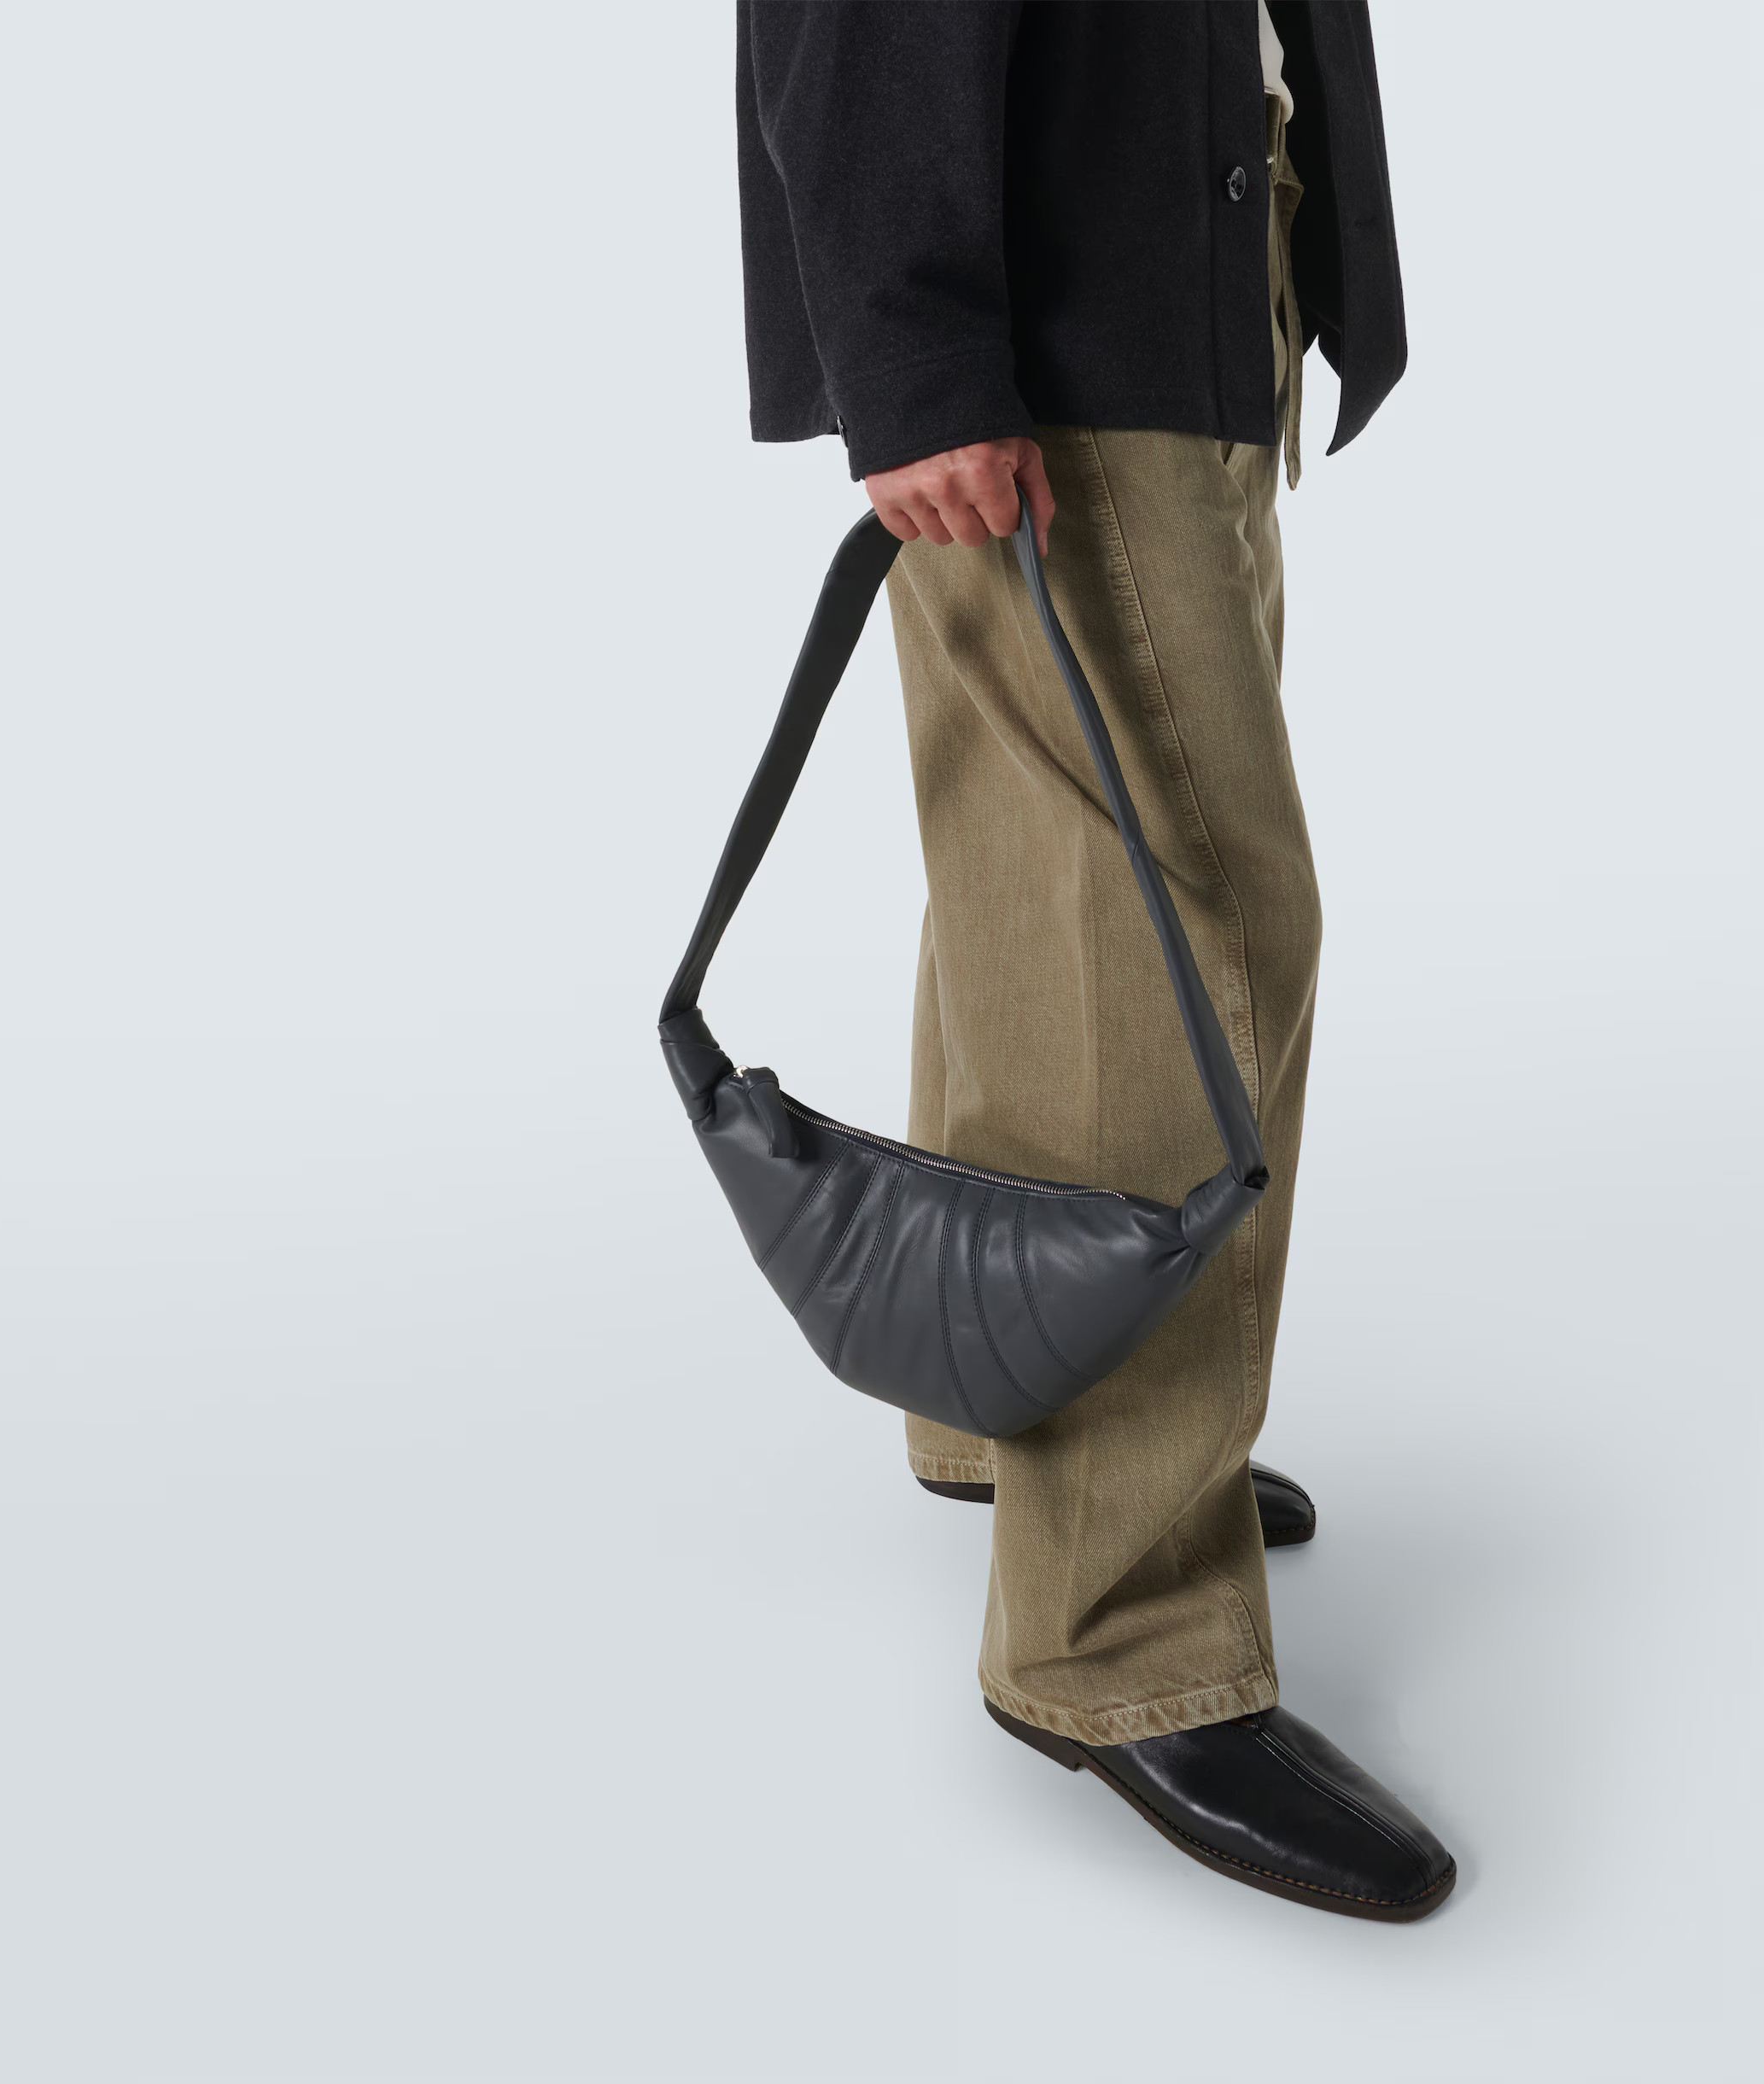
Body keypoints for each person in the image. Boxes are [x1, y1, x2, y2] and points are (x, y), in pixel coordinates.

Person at [735, 0, 1454, 1920]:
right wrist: (913, 351)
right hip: (1061, 315)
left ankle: (1016, 1412)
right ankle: (1121, 1632)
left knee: (1047, 875)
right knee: (1196, 932)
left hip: (1166, 258)